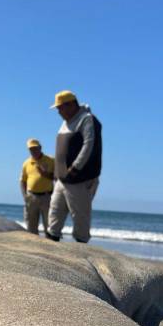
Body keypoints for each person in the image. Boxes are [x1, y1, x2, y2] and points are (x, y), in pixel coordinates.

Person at [46, 91, 102, 244]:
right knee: (54, 215)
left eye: (60, 108)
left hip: (78, 179)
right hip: (61, 179)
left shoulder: (86, 119)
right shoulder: (65, 123)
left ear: (71, 105)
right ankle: (51, 253)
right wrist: (56, 174)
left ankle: (81, 258)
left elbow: (88, 144)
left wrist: (75, 168)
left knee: (80, 220)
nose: (58, 112)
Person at [20, 139, 55, 234]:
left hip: (47, 197)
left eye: (35, 148)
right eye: (31, 149)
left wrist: (45, 174)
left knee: (49, 227)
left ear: (40, 148)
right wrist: (25, 196)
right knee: (31, 228)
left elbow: (58, 177)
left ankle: (50, 247)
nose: (33, 151)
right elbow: (22, 181)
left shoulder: (51, 160)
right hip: (31, 197)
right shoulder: (26, 163)